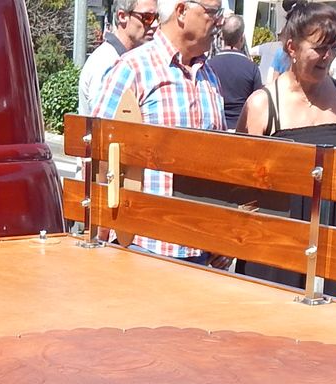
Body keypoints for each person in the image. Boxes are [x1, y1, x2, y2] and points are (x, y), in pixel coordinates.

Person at [235, 2, 336, 297]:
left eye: (332, 47)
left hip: (334, 236)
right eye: (319, 48)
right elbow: (242, 185)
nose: (327, 56)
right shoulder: (263, 104)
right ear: (292, 48)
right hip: (275, 241)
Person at [92, 0, 227, 262]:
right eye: (212, 12)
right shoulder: (134, 69)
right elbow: (97, 151)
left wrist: (222, 236)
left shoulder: (209, 76)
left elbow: (220, 163)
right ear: (182, 11)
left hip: (201, 249)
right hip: (144, 248)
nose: (219, 21)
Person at [78, 0, 160, 117]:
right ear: (122, 16)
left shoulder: (135, 60)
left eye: (157, 17)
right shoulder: (106, 62)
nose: (155, 24)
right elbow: (102, 123)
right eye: (147, 17)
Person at [210, 13, 262, 130]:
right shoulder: (252, 68)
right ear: (242, 38)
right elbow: (258, 101)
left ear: (222, 36)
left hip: (216, 128)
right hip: (242, 129)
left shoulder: (209, 66)